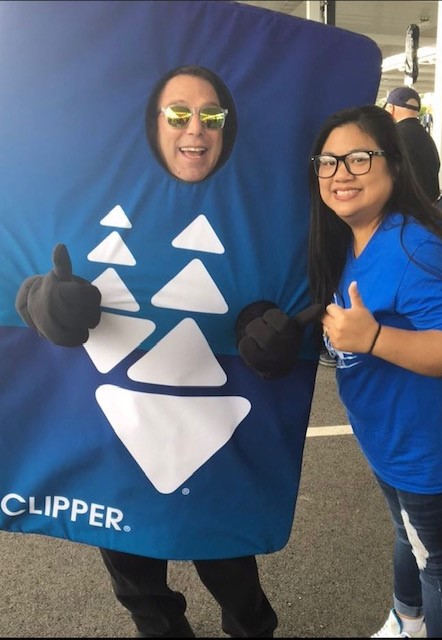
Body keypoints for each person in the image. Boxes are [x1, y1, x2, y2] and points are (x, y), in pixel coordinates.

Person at [16, 65, 277, 639]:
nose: (196, 128)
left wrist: (271, 330)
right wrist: (42, 301)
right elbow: (22, 275)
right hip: (116, 419)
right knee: (135, 575)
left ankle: (252, 630)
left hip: (209, 424)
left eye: (211, 116)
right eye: (179, 114)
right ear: (153, 123)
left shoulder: (262, 211)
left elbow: (277, 290)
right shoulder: (84, 194)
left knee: (228, 559)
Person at [307, 105, 442, 637]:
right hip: (391, 436)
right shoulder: (350, 237)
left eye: (358, 158)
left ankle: (418, 621)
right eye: (328, 161)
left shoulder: (417, 244)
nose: (341, 173)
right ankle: (408, 619)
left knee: (440, 560)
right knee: (407, 531)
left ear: (393, 165)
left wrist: (371, 338)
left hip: (429, 444)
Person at [384, 86, 441, 203]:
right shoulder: (426, 136)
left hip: (404, 205)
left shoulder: (393, 135)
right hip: (428, 205)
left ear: (391, 108)